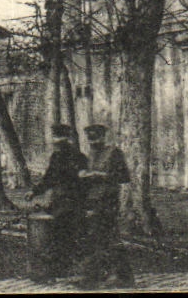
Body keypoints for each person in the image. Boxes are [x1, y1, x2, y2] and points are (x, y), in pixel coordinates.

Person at [29, 123, 87, 283]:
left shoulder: (78, 157)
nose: (56, 142)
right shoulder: (55, 157)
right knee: (57, 237)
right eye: (55, 138)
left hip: (73, 203)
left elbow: (84, 182)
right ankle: (54, 273)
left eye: (59, 138)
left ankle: (67, 273)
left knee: (66, 237)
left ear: (67, 139)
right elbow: (48, 178)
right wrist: (35, 191)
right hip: (58, 202)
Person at [78, 123, 134, 287]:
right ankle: (99, 276)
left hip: (108, 201)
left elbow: (124, 176)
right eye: (90, 139)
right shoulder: (90, 154)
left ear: (103, 137)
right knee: (96, 237)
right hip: (92, 200)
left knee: (108, 237)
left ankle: (119, 276)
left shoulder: (114, 153)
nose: (93, 142)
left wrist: (101, 175)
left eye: (96, 138)